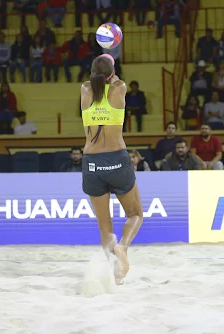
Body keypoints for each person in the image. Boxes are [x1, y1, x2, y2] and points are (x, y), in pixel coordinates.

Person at [80, 53, 143, 284]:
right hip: (116, 158)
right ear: (112, 74)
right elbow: (113, 80)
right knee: (135, 214)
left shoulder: (85, 90)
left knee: (105, 228)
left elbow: (94, 81)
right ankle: (123, 248)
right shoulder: (119, 88)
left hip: (91, 162)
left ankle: (114, 275)